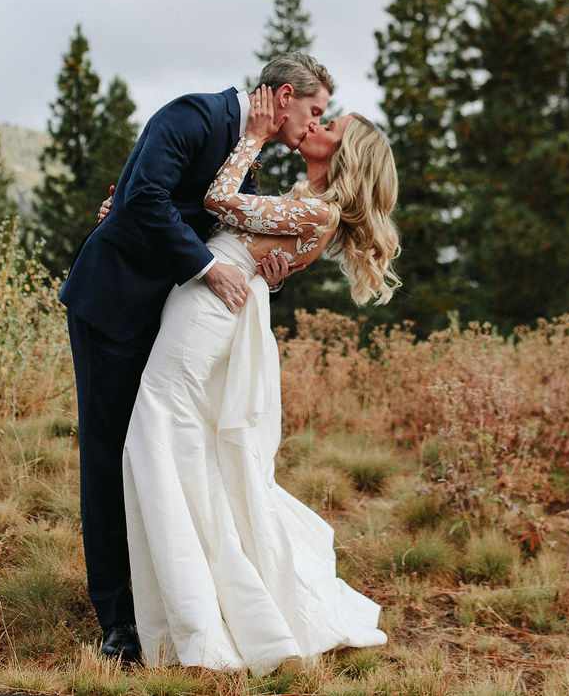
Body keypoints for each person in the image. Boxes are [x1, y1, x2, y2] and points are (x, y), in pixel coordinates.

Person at [58, 53, 334, 663]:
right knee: (110, 458)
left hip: (167, 319)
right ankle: (117, 620)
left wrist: (272, 268)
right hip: (112, 307)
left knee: (160, 453)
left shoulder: (249, 160)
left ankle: (168, 596)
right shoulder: (192, 116)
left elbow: (225, 225)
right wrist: (206, 266)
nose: (316, 124)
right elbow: (147, 199)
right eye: (314, 111)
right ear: (284, 95)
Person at [122, 83, 402, 675]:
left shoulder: (314, 208)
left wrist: (250, 138)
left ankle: (196, 627)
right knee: (181, 446)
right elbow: (253, 251)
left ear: (345, 154)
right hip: (218, 304)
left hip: (207, 311)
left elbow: (220, 201)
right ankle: (199, 614)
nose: (319, 126)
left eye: (333, 125)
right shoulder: (310, 203)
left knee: (157, 433)